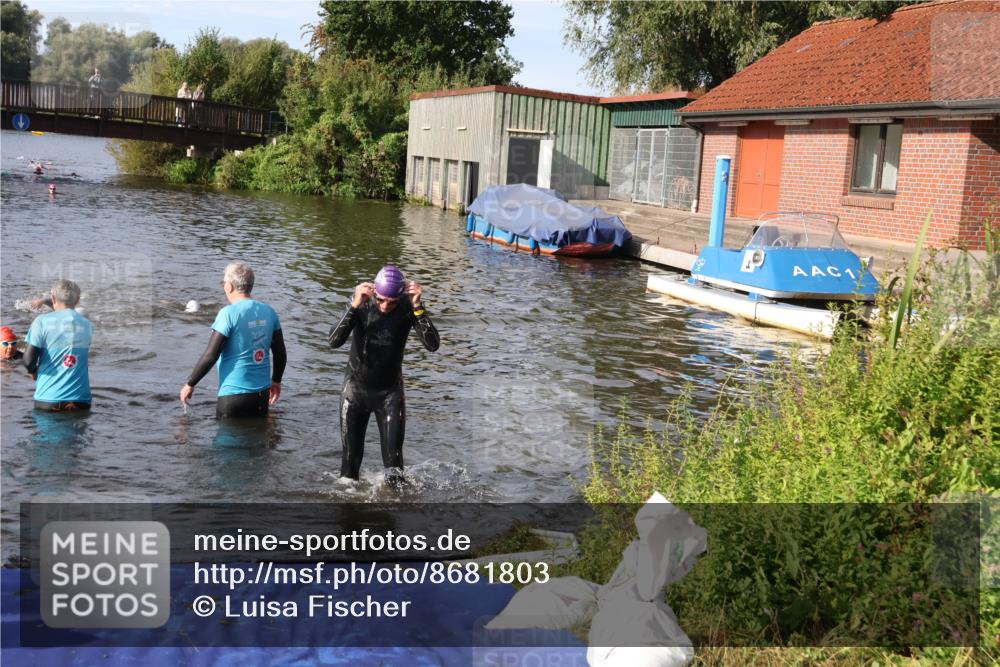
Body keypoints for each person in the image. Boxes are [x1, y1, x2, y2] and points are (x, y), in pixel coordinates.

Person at [328, 265, 440, 484]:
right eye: (380, 300)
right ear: (374, 293)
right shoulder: (362, 303)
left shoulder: (409, 307)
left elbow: (433, 345)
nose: (385, 305)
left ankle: (393, 511)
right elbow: (333, 341)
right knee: (349, 470)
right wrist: (353, 306)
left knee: (395, 468)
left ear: (401, 297)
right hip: (355, 392)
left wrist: (418, 307)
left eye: (392, 301)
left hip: (389, 394)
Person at [180, 262, 286, 418]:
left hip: (232, 397)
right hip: (261, 396)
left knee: (227, 441)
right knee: (258, 440)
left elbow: (211, 355)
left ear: (229, 286)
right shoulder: (269, 312)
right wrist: (276, 381)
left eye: (223, 283)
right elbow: (280, 352)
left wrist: (190, 384)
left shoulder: (228, 314)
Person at [22, 280, 93, 412]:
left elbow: (28, 360)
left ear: (53, 298)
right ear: (77, 300)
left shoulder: (41, 321)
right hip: (81, 400)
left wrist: (33, 371)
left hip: (48, 399)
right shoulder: (88, 325)